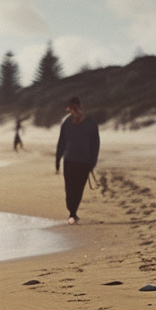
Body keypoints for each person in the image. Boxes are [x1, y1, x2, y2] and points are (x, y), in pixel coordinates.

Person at [55, 96, 99, 224]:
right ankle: (72, 212)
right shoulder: (66, 123)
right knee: (69, 188)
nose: (72, 111)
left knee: (79, 189)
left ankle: (73, 212)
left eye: (74, 108)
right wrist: (58, 160)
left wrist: (93, 162)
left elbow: (95, 143)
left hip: (84, 161)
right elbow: (61, 142)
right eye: (70, 109)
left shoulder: (91, 122)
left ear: (79, 107)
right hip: (69, 160)